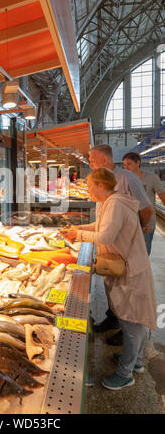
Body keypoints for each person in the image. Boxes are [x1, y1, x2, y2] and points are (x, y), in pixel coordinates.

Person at [62, 168, 157, 390]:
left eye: (89, 186)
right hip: (127, 266)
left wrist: (79, 235)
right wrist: (79, 228)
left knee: (132, 321)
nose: (87, 190)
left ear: (101, 185)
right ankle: (136, 362)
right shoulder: (112, 201)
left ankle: (126, 374)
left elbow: (105, 236)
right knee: (132, 318)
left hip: (130, 270)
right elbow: (101, 227)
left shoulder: (114, 203)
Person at [88, 144, 153, 345]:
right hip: (111, 247)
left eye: (91, 160)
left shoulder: (127, 179)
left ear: (104, 160)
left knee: (128, 292)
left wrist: (136, 231)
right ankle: (114, 319)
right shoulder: (102, 183)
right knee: (114, 286)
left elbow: (147, 209)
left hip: (125, 246)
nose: (89, 164)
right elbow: (103, 223)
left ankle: (127, 334)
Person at [122, 151, 165, 255]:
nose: (126, 167)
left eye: (129, 164)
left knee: (143, 255)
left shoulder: (151, 178)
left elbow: (163, 196)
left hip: (147, 223)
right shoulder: (124, 178)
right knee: (129, 255)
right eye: (124, 165)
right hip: (128, 222)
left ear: (138, 163)